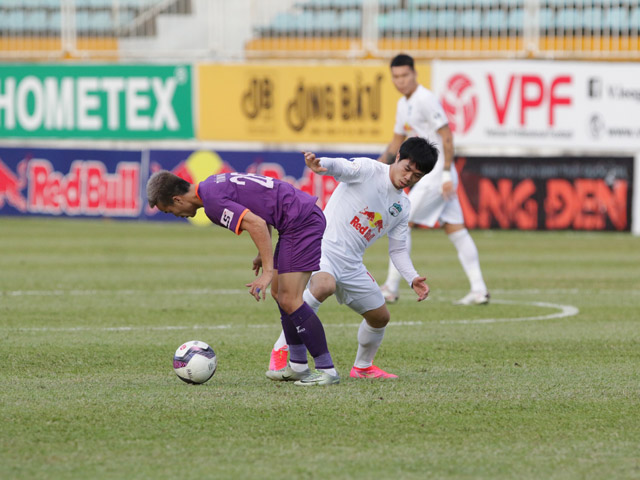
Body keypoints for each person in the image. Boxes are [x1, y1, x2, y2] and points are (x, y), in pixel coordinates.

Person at [146, 170, 339, 386]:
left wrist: (268, 272)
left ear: (177, 199)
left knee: (290, 299)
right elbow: (258, 208)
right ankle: (298, 365)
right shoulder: (211, 184)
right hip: (296, 220)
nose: (175, 214)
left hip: (301, 222)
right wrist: (261, 254)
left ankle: (326, 369)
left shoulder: (212, 204)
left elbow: (255, 223)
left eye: (169, 210)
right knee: (279, 294)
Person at [267, 137, 438, 379]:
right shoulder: (370, 170)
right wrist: (320, 163)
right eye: (407, 168)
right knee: (324, 285)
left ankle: (363, 367)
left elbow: (397, 250)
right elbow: (342, 167)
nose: (408, 177)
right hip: (322, 247)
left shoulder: (402, 205)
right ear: (398, 157)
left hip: (351, 264)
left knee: (380, 318)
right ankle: (282, 348)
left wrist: (412, 278)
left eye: (416, 175)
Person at [378, 53, 489, 306]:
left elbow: (447, 136)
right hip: (437, 176)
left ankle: (391, 287)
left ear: (415, 74)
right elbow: (397, 141)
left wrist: (448, 173)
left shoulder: (426, 99)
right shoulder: (402, 104)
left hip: (438, 175)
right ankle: (479, 289)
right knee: (455, 229)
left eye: (405, 75)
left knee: (401, 221)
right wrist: (375, 167)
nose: (401, 81)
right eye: (396, 76)